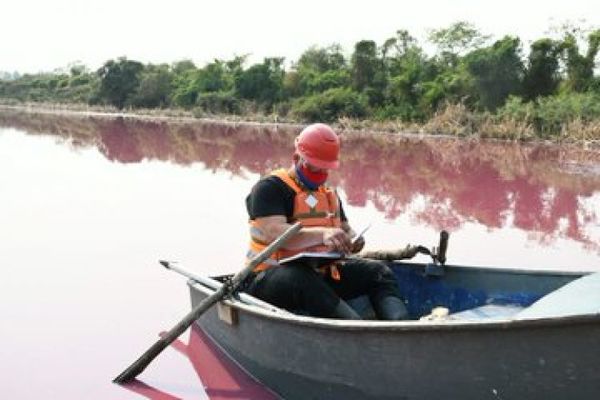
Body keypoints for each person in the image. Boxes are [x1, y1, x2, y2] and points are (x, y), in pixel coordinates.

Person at [244, 123, 409, 320]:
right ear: (296, 157)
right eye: (313, 168)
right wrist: (323, 234)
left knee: (378, 272)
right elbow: (275, 233)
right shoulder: (269, 188)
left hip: (319, 273)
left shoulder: (329, 194)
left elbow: (346, 229)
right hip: (268, 278)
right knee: (300, 279)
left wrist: (353, 241)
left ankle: (399, 327)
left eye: (324, 169)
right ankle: (356, 329)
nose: (319, 175)